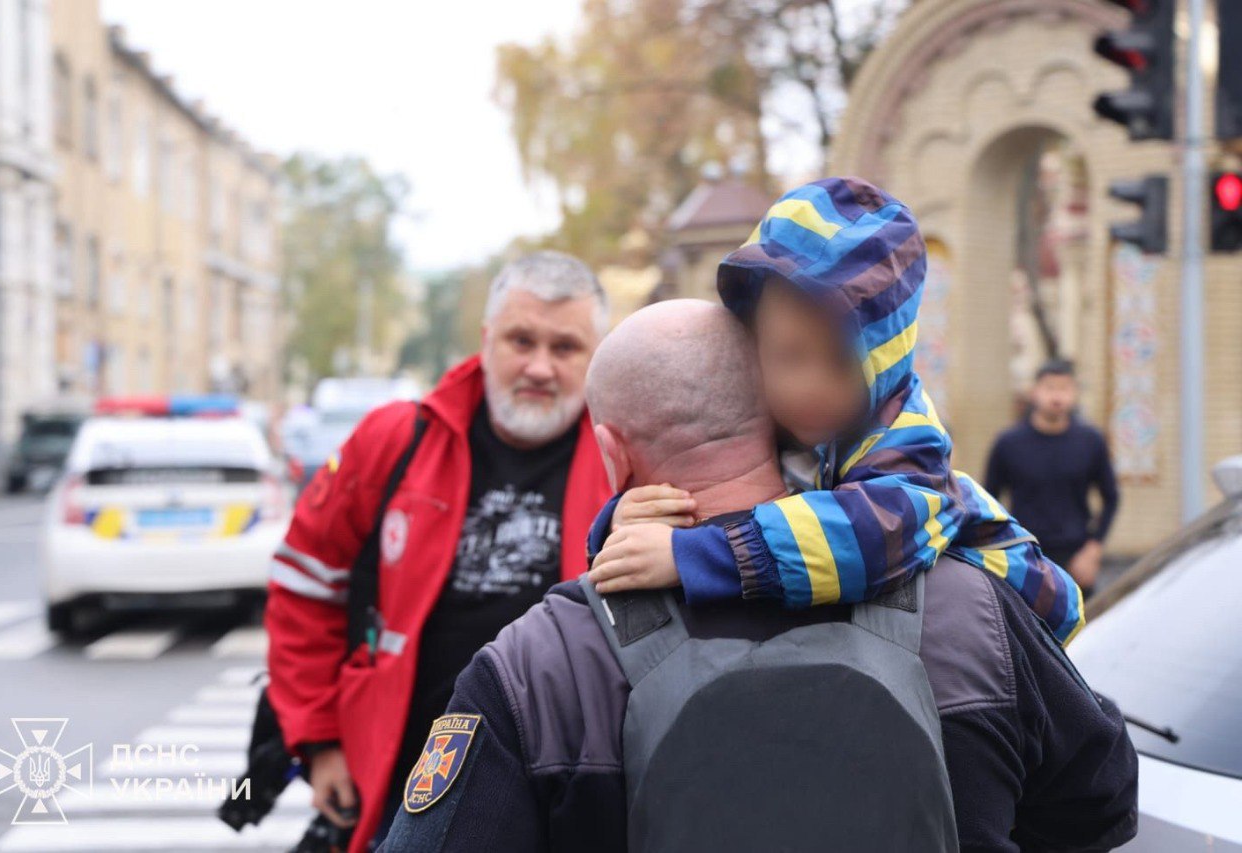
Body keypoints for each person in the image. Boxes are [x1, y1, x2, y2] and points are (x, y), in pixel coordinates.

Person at [380, 300, 1138, 852]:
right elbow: (1102, 801)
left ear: (612, 454)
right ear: (782, 419)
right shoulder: (969, 606)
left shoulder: (539, 663)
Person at [588, 178, 1085, 644]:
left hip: (1026, 612)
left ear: (887, 360)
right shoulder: (780, 420)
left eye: (845, 363)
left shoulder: (907, 437)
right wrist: (623, 523)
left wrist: (690, 557)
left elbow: (864, 540)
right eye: (789, 356)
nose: (812, 388)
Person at [264, 251, 613, 852]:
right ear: (486, 339)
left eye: (565, 347)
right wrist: (320, 741)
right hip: (400, 783)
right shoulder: (395, 440)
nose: (539, 367)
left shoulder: (626, 456)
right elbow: (305, 587)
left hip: (564, 789)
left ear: (595, 357)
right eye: (521, 341)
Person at [985, 359, 1120, 596]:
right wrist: (1002, 552)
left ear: (1075, 393)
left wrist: (1093, 549)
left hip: (1076, 558)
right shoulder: (1008, 443)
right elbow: (988, 501)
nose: (1057, 396)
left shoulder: (1090, 441)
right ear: (1035, 392)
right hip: (1024, 556)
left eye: (1064, 388)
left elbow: (1111, 498)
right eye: (1050, 388)